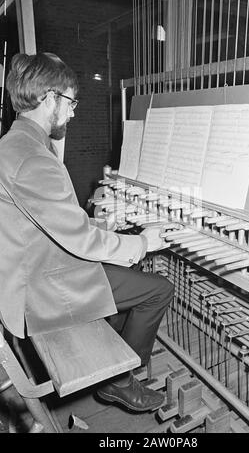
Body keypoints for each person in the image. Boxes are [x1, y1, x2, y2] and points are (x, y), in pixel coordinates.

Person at [0, 52, 174, 413]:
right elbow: (78, 240)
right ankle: (120, 381)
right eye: (71, 101)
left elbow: (46, 221)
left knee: (131, 274)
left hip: (29, 268)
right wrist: (142, 242)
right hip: (40, 290)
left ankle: (117, 350)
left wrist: (103, 225)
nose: (74, 111)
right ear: (49, 98)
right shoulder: (33, 157)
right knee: (159, 290)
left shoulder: (14, 145)